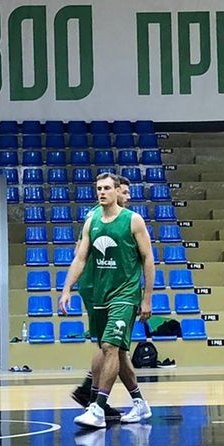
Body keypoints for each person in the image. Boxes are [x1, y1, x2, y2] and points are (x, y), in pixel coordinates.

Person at [61, 172, 155, 429]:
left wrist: (147, 297)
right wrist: (67, 287)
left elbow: (148, 258)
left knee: (110, 347)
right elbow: (79, 257)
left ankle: (97, 407)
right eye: (98, 188)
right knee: (115, 351)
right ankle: (139, 403)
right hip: (97, 291)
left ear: (115, 190)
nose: (102, 192)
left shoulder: (133, 220)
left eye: (107, 188)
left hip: (124, 294)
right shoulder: (92, 220)